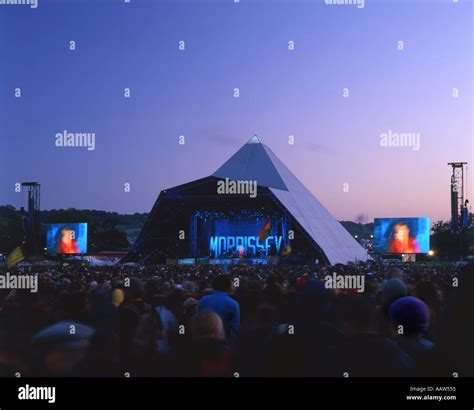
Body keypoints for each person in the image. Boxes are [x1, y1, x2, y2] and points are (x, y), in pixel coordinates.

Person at [198, 275, 240, 341]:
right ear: (228, 286)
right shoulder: (233, 304)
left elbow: (197, 320)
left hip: (203, 341)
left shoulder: (203, 300)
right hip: (224, 342)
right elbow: (234, 328)